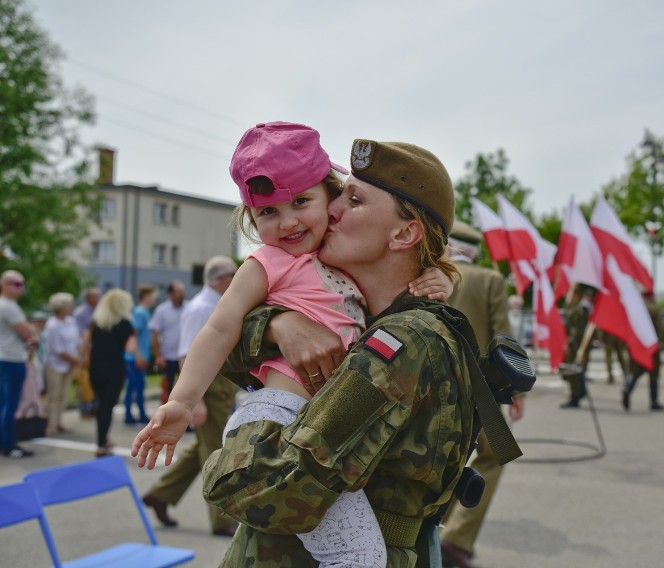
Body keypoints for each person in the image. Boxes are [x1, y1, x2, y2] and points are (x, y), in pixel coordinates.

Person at [134, 136, 484, 567]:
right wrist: (279, 325)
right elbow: (223, 334)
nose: (331, 208)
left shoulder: (401, 341)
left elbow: (269, 492)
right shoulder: (351, 301)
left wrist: (226, 462)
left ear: (405, 233)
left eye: (352, 200)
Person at [440, 220, 524, 568]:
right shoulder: (488, 280)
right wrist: (517, 392)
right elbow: (504, 340)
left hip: (427, 382)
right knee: (497, 453)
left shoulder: (428, 271)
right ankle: (456, 539)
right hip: (479, 390)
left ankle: (430, 530)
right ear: (475, 251)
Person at [141, 256, 239, 537]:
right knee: (217, 454)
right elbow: (186, 356)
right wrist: (195, 402)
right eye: (234, 275)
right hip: (207, 389)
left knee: (203, 449)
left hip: (218, 387)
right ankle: (223, 521)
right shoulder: (200, 308)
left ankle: (160, 495)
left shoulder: (212, 303)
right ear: (222, 279)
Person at [84, 288, 138, 457]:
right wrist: (133, 335)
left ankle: (103, 440)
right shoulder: (124, 323)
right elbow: (130, 349)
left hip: (95, 367)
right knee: (108, 406)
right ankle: (101, 444)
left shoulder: (96, 322)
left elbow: (85, 344)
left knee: (101, 405)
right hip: (114, 368)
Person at [0, 270, 39, 458]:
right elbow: (27, 333)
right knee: (10, 404)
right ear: (4, 284)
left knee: (3, 403)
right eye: (16, 284)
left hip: (4, 358)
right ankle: (8, 444)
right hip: (11, 359)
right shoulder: (9, 306)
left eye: (21, 283)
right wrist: (32, 334)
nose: (20, 287)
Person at [42, 292, 82, 435]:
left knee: (63, 394)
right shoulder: (52, 324)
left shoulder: (71, 321)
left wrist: (76, 358)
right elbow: (57, 349)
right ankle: (50, 423)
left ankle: (59, 422)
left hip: (69, 363)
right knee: (54, 395)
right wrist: (75, 360)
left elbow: (77, 341)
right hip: (55, 364)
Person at [622, 291, 664, 411]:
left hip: (635, 346)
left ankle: (627, 390)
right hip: (651, 346)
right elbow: (662, 328)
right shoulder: (653, 309)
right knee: (653, 374)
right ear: (651, 297)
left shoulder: (634, 309)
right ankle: (654, 402)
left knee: (635, 372)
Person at [124, 284, 157, 425]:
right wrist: (138, 355)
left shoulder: (144, 312)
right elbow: (133, 335)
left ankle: (138, 414)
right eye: (153, 296)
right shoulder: (140, 313)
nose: (155, 299)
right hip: (135, 358)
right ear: (146, 296)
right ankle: (130, 415)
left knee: (137, 387)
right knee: (134, 387)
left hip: (140, 356)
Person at [149, 280, 185, 403]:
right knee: (167, 388)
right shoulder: (161, 310)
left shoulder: (190, 308)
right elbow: (155, 334)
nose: (181, 294)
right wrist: (158, 355)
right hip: (168, 357)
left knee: (186, 390)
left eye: (182, 291)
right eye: (178, 291)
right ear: (170, 294)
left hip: (185, 357)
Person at [560, 288, 593, 408]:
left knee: (571, 370)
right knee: (570, 370)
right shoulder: (572, 307)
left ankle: (575, 395)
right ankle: (579, 390)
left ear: (576, 295)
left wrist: (569, 343)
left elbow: (577, 329)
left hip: (574, 344)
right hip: (571, 343)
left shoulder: (580, 309)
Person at [72, 287, 100, 416]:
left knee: (93, 380)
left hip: (95, 352)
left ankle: (92, 407)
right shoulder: (80, 313)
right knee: (84, 380)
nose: (98, 299)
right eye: (95, 296)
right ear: (88, 298)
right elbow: (79, 334)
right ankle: (84, 408)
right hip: (85, 351)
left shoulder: (99, 311)